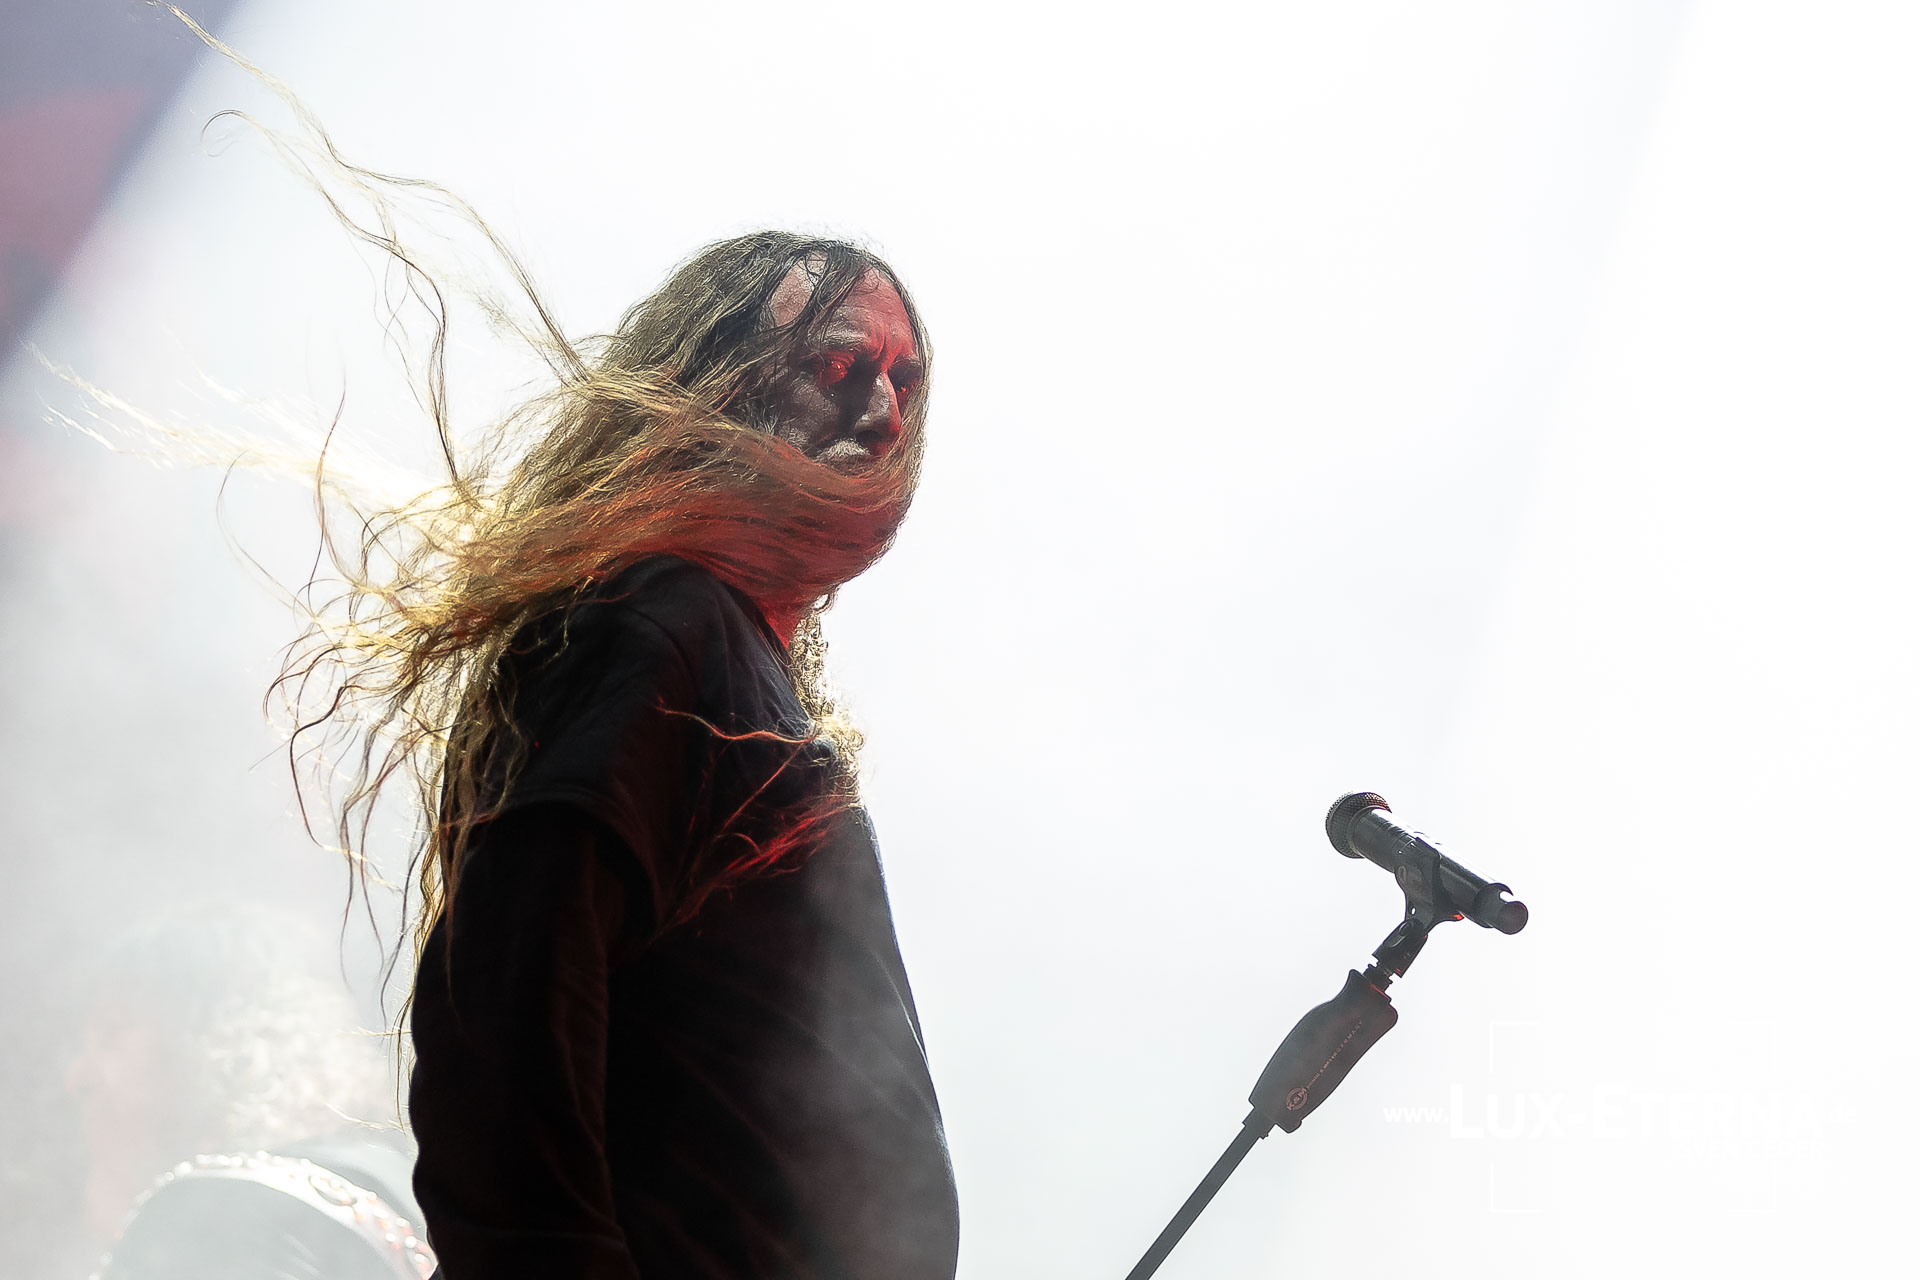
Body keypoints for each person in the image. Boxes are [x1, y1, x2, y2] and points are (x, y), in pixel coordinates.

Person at [357, 233, 960, 1280]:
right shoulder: (659, 625)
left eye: (904, 383)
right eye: (837, 364)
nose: (884, 413)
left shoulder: (721, 651)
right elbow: (508, 1012)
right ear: (720, 377)